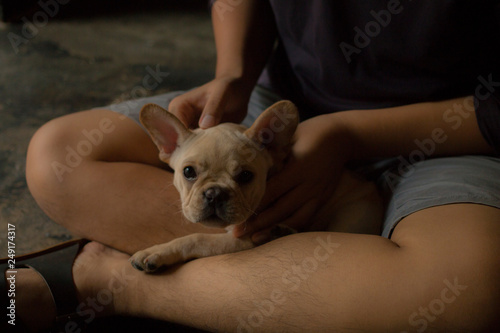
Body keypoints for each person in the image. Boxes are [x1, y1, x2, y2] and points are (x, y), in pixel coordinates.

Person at [5, 0, 500, 331]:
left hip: (453, 131)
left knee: (469, 290)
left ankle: (111, 285)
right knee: (57, 158)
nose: (212, 192)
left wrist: (347, 134)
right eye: (191, 175)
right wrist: (235, 70)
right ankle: (342, 275)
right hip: (275, 113)